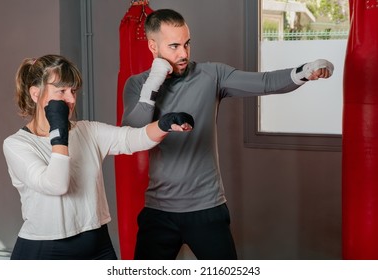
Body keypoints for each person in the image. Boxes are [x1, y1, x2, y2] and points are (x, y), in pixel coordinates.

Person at [121, 9, 334, 260]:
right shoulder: (137, 84)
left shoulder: (212, 75)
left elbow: (263, 82)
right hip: (159, 211)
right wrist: (154, 82)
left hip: (206, 207)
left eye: (187, 44)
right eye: (174, 46)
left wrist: (304, 71)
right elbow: (131, 135)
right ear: (152, 46)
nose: (184, 54)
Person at [2, 54, 194, 260]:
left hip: (95, 243)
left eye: (73, 91)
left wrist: (164, 124)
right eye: (62, 91)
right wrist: (58, 132)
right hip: (44, 249)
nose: (71, 99)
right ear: (35, 93)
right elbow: (56, 185)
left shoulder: (88, 131)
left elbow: (132, 138)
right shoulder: (17, 145)